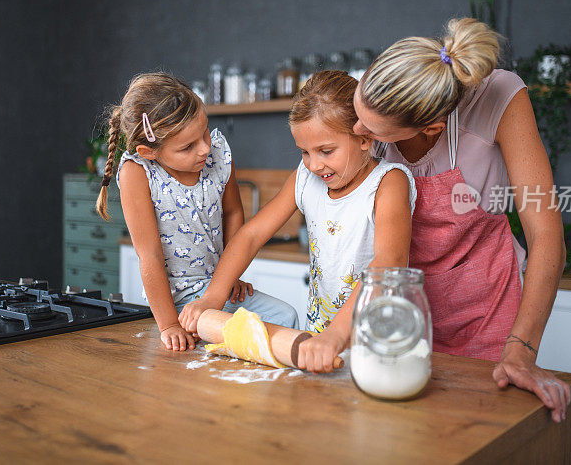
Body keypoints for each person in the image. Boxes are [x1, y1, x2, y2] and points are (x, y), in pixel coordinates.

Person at [352, 18, 571, 422]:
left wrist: (522, 350)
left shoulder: (500, 96)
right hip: (403, 309)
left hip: (486, 313)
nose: (356, 130)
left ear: (431, 127)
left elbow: (545, 231)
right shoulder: (386, 93)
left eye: (373, 129)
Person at [178, 70, 415, 372]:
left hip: (380, 341)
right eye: (304, 152)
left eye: (326, 151)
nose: (315, 165)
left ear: (365, 138)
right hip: (319, 340)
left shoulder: (388, 183)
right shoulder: (306, 178)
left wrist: (336, 335)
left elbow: (388, 263)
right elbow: (252, 235)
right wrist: (212, 298)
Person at [96, 73, 298, 352]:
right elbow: (149, 255)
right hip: (174, 301)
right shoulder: (137, 172)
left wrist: (230, 277)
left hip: (217, 288)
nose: (204, 148)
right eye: (188, 146)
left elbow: (233, 212)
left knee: (285, 317)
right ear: (148, 152)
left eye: (204, 132)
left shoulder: (218, 153)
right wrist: (168, 325)